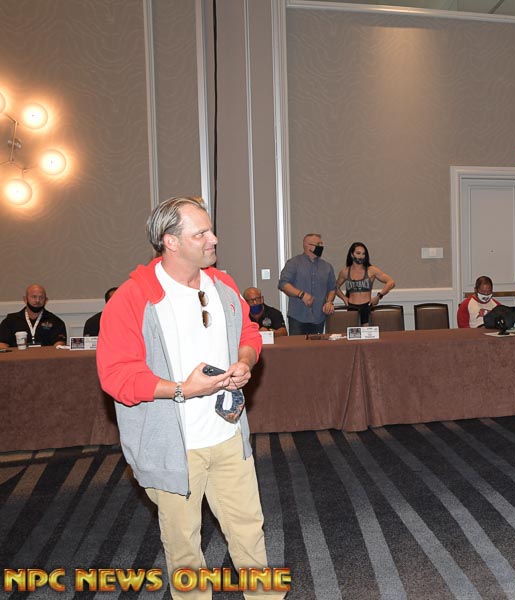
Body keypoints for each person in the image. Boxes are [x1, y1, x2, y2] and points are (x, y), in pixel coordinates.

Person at [96, 196, 282, 599]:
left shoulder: (223, 284)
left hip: (228, 434)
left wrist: (245, 360)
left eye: (210, 230)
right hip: (173, 447)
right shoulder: (132, 298)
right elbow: (117, 377)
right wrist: (182, 389)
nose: (213, 239)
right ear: (171, 242)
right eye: (201, 233)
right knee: (184, 548)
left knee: (249, 529)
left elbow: (248, 333)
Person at [278, 233, 336, 335]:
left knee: (316, 345)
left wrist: (329, 302)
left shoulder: (327, 267)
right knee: (297, 345)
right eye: (318, 244)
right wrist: (301, 294)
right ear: (308, 246)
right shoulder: (293, 263)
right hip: (298, 317)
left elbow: (332, 288)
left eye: (321, 244)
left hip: (318, 317)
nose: (321, 246)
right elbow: (283, 284)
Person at [334, 242, 395, 326]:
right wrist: (344, 298)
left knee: (367, 333)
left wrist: (379, 296)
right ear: (352, 254)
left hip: (367, 306)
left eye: (363, 254)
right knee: (354, 333)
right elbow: (335, 286)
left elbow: (391, 282)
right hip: (352, 308)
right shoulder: (345, 272)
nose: (361, 256)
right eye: (358, 253)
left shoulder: (371, 270)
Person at [0, 284, 67, 348]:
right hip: (18, 356)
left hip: (46, 356)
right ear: (25, 299)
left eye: (41, 297)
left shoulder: (56, 322)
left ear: (46, 300)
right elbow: (2, 345)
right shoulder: (10, 321)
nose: (37, 300)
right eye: (34, 297)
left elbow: (59, 345)